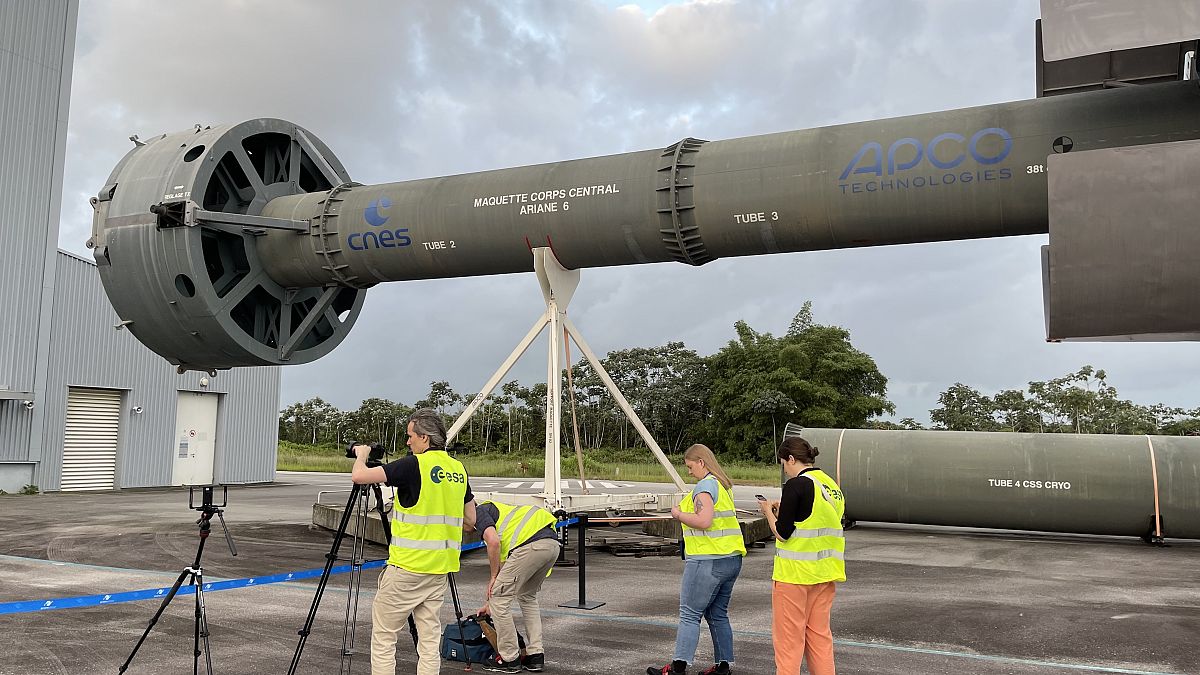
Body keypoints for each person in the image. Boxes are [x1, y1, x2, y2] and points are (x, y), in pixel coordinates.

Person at [351, 408, 477, 675]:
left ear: (424, 437)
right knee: (429, 641)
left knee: (385, 638)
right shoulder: (458, 469)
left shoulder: (413, 465)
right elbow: (470, 519)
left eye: (410, 436)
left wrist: (361, 455)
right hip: (439, 570)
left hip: (407, 569)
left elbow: (360, 477)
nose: (407, 442)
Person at [648, 444, 747, 675]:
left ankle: (678, 668)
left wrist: (678, 514)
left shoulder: (704, 487)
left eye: (691, 466)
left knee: (690, 614)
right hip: (731, 559)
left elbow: (704, 521)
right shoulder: (723, 485)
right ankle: (723, 667)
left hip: (707, 560)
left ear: (701, 462)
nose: (689, 472)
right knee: (718, 614)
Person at [757, 436, 845, 675]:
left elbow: (783, 533)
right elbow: (814, 520)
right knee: (819, 639)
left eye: (784, 463)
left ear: (791, 459)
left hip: (794, 577)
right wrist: (783, 510)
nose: (784, 469)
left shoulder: (797, 485)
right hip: (825, 575)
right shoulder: (830, 486)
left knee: (789, 643)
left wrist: (768, 512)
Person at [470, 499, 560, 673]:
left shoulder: (479, 512)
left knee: (499, 598)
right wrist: (490, 605)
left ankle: (509, 658)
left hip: (530, 545)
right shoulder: (500, 512)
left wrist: (493, 579)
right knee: (527, 596)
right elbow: (507, 572)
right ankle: (535, 655)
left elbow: (493, 542)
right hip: (551, 544)